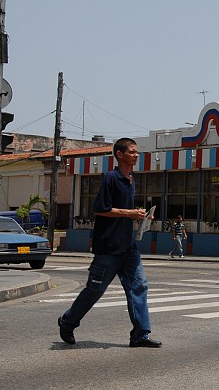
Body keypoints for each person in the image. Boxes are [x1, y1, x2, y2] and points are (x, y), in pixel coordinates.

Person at [57, 138, 161, 348]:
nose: (136, 155)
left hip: (128, 246)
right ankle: (67, 322)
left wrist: (139, 216)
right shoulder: (111, 178)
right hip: (108, 247)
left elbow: (123, 212)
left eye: (137, 152)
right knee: (95, 290)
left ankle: (140, 334)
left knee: (139, 286)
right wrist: (130, 213)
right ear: (120, 154)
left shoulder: (131, 178)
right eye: (132, 152)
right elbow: (100, 209)